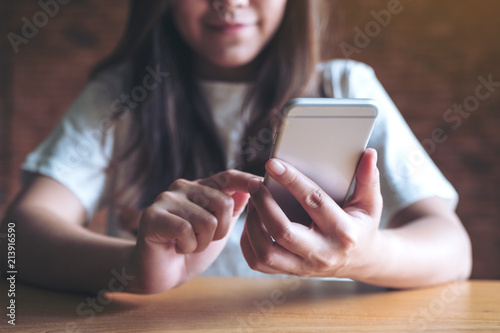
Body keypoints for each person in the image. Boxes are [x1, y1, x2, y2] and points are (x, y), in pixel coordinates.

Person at [0, 0, 471, 294]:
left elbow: (453, 249)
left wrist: (362, 256)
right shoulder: (119, 95)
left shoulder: (346, 85)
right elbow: (16, 239)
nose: (229, 3)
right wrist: (131, 269)